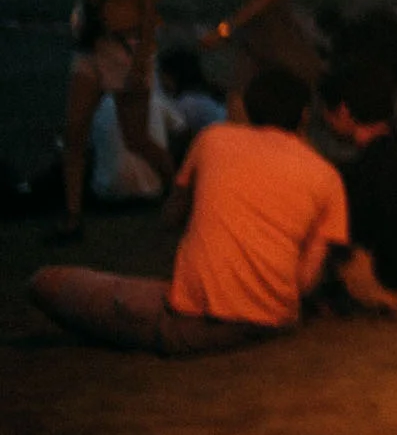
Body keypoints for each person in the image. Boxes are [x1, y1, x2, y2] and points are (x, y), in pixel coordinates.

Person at [29, 68, 348, 355]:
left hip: (196, 320)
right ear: (305, 116)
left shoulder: (214, 140)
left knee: (46, 282)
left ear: (247, 107)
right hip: (277, 316)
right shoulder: (326, 176)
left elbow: (171, 216)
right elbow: (307, 277)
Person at [52, 0, 177, 242]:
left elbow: (151, 12)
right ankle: (73, 217)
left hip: (128, 51)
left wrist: (141, 62)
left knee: (137, 138)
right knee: (74, 130)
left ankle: (182, 193)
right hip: (92, 50)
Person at [318, 54, 397, 304]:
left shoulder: (364, 173)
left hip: (395, 276)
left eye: (327, 113)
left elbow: (353, 237)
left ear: (343, 111)